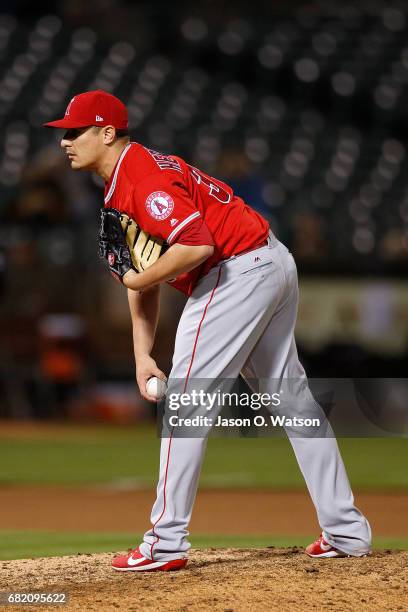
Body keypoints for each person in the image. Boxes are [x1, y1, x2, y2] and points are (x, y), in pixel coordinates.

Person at [44, 90, 371, 571]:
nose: (65, 141)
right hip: (271, 261)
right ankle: (346, 531)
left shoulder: (140, 177)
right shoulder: (128, 179)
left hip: (234, 271)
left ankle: (165, 541)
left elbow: (195, 246)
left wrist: (138, 278)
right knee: (294, 402)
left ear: (108, 132)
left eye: (75, 131)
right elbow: (146, 278)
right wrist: (142, 356)